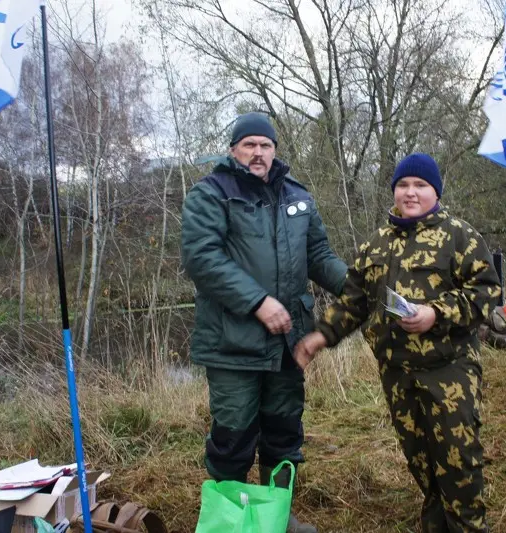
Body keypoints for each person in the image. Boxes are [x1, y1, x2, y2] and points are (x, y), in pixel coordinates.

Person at [294, 153, 501, 533]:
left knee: (457, 461)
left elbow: (486, 294)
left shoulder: (460, 236)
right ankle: (436, 521)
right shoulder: (376, 244)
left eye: (420, 186)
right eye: (403, 185)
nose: (410, 193)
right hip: (396, 372)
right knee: (420, 458)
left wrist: (435, 314)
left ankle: (468, 526)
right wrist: (321, 335)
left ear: (434, 192)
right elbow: (354, 301)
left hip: (447, 370)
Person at [181, 112, 347, 533]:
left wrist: (361, 286)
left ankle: (276, 516)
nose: (258, 152)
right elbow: (202, 258)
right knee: (234, 436)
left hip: (287, 340)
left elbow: (320, 256)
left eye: (265, 145)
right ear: (234, 149)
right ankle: (233, 521)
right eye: (249, 144)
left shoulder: (298, 197)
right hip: (232, 344)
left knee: (284, 431)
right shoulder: (211, 193)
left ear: (275, 150)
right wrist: (258, 302)